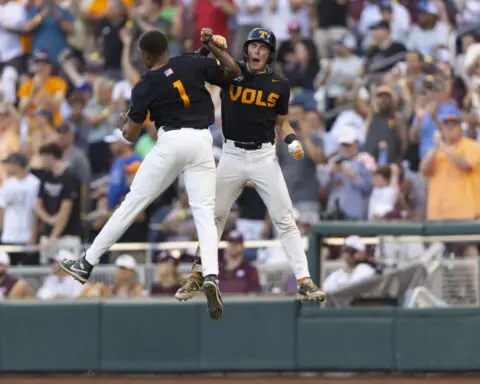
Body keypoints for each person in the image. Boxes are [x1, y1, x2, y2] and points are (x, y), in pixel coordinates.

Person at [60, 28, 241, 320]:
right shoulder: (189, 62)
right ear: (166, 49)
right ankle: (210, 275)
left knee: (132, 204)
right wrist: (214, 47)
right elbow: (232, 71)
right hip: (202, 141)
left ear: (145, 55)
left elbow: (131, 136)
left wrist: (123, 122)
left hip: (171, 141)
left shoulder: (145, 83)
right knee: (204, 213)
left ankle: (87, 262)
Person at [176, 28, 325, 303]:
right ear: (246, 50)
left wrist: (291, 139)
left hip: (263, 156)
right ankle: (198, 274)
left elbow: (281, 122)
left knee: (285, 218)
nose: (256, 51)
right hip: (232, 154)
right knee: (214, 216)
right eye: (253, 46)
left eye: (262, 47)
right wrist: (210, 47)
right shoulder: (232, 73)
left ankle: (304, 279)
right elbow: (200, 68)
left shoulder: (279, 86)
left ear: (270, 54)